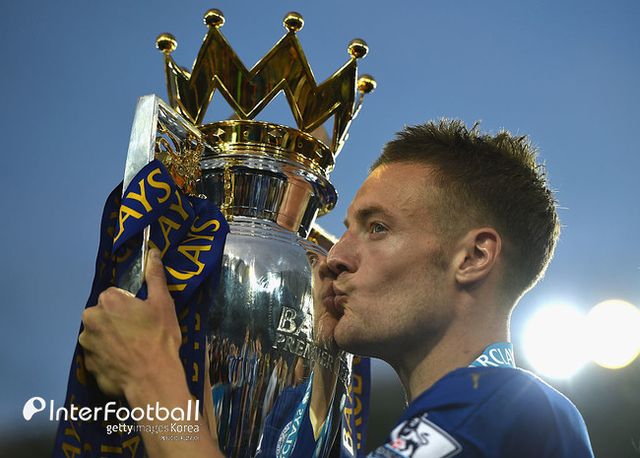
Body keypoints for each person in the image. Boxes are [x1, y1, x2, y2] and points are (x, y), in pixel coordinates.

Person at [79, 119, 595, 457]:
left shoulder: (502, 405)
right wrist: (317, 371)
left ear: (473, 257)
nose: (336, 257)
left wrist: (151, 379)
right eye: (347, 229)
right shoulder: (478, 419)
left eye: (377, 228)